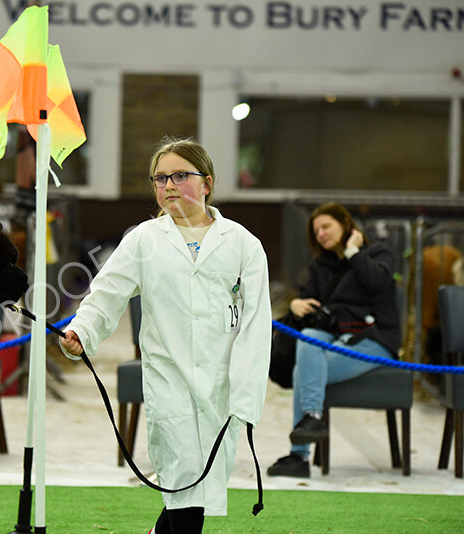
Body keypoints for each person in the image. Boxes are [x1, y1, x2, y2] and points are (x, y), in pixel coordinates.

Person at [59, 137, 272, 534]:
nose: (168, 185)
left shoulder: (243, 243)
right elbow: (106, 293)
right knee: (182, 478)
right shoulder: (144, 238)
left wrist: (246, 391)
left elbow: (256, 322)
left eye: (179, 176)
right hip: (168, 379)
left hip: (222, 387)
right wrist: (81, 332)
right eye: (160, 178)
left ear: (206, 183)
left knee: (196, 485)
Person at [267, 203, 400, 478]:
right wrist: (296, 305)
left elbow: (377, 281)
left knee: (304, 368)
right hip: (336, 340)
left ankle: (299, 455)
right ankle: (311, 423)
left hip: (373, 342)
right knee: (308, 338)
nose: (321, 234)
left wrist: (353, 251)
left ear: (345, 224)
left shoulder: (378, 254)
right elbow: (312, 303)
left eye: (326, 226)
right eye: (316, 231)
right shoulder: (321, 265)